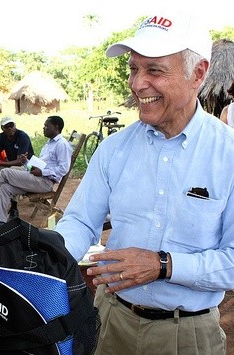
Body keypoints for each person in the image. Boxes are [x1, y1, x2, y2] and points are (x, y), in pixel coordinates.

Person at [55, 11, 233, 354]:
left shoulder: (228, 155)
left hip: (188, 334)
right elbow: (79, 222)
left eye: (154, 70)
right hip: (109, 320)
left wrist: (163, 265)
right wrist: (42, 256)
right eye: (134, 69)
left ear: (198, 73)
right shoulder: (114, 148)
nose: (137, 84)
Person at [0, 116, 72, 226]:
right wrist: (26, 162)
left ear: (56, 127)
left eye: (46, 126)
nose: (43, 128)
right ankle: (0, 221)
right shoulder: (49, 144)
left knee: (5, 172)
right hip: (36, 178)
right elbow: (38, 167)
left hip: (45, 182)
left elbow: (64, 169)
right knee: (4, 187)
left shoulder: (62, 144)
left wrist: (42, 172)